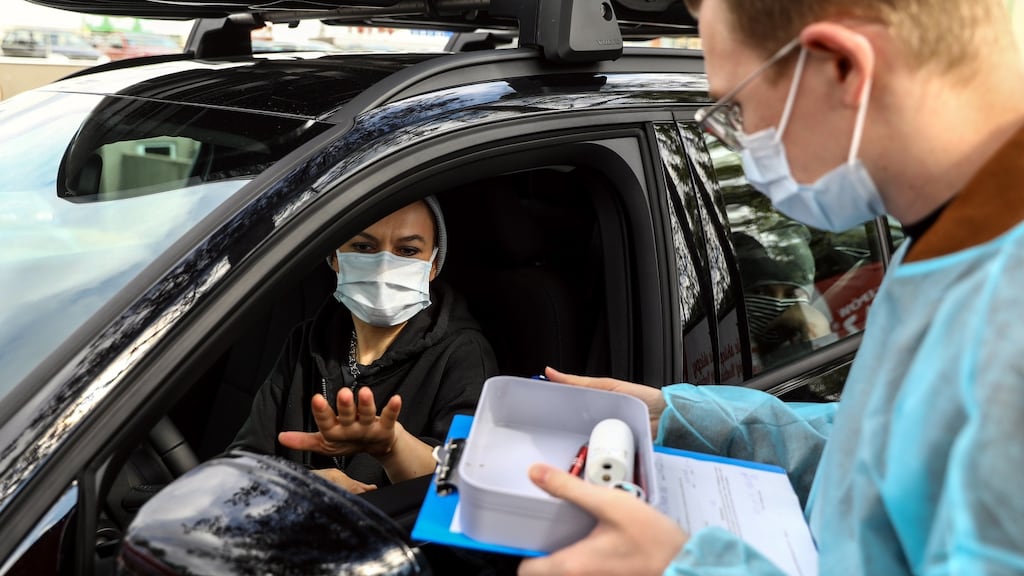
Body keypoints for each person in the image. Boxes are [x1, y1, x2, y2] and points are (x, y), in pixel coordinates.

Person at [517, 0, 1024, 574]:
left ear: (842, 67)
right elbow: (878, 461)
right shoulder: (946, 244)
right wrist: (680, 418)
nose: (739, 140)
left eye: (738, 106)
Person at [230, 196, 497, 493]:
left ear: (434, 264)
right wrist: (308, 485)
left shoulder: (462, 353)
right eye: (363, 247)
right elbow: (244, 463)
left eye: (407, 251)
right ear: (334, 256)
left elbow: (459, 486)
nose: (383, 266)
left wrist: (392, 447)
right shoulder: (307, 341)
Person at [733, 227, 835, 370]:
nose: (777, 305)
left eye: (791, 294)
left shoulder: (806, 330)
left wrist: (817, 332)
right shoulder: (729, 358)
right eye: (760, 292)